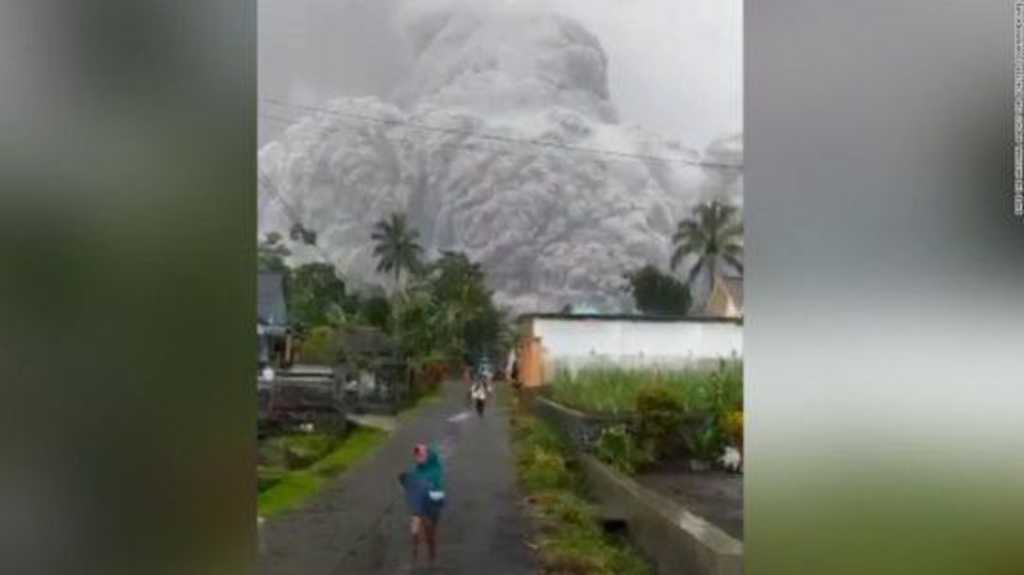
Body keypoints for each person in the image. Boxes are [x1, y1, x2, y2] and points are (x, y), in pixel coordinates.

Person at [398, 443, 445, 565]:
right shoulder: (416, 470)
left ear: (428, 456)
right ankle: (415, 551)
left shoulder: (435, 469)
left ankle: (431, 554)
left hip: (432, 505)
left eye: (421, 455)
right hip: (419, 505)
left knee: (430, 532)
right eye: (417, 455)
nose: (418, 458)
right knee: (414, 530)